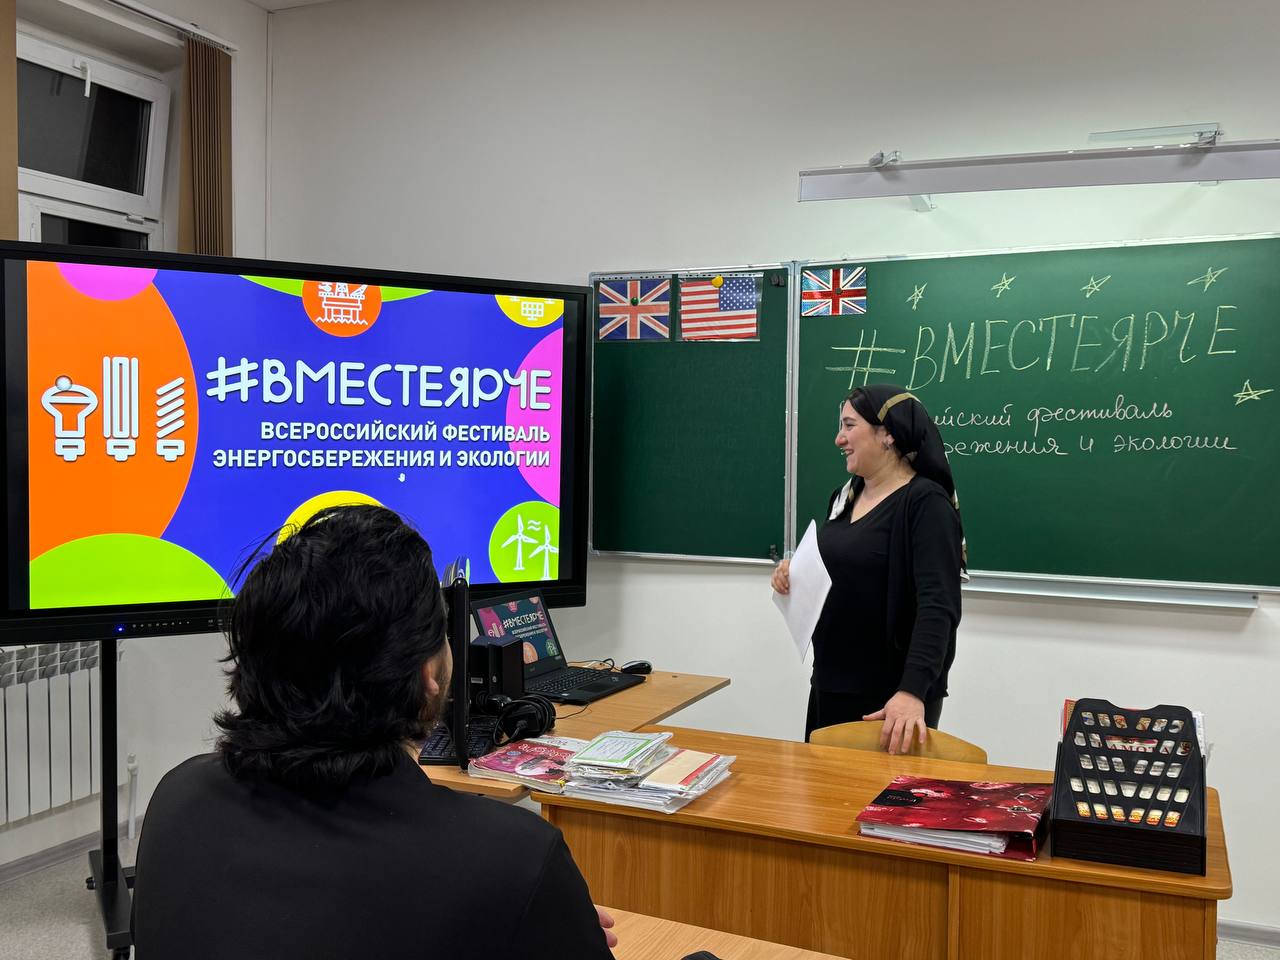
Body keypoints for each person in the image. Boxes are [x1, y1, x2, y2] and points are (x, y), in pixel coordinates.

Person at [132, 504, 616, 959]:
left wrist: (529, 917)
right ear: (428, 673)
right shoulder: (514, 860)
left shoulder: (178, 798)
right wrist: (538, 916)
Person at [772, 384, 965, 754]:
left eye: (849, 426)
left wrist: (911, 691)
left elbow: (938, 607)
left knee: (876, 793)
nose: (838, 439)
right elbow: (845, 568)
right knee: (821, 788)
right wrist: (793, 572)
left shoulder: (926, 504)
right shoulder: (844, 497)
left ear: (887, 433)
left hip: (890, 702)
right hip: (831, 684)